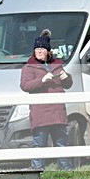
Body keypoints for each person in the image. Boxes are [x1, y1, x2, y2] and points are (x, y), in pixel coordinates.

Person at [20, 29, 74, 171]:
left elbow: (68, 84)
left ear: (48, 51)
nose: (38, 51)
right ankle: (37, 173)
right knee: (39, 145)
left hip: (57, 112)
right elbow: (25, 85)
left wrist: (66, 77)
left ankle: (67, 171)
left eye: (42, 49)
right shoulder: (29, 66)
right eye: (36, 48)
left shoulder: (57, 64)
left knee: (62, 144)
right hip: (41, 114)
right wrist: (42, 80)